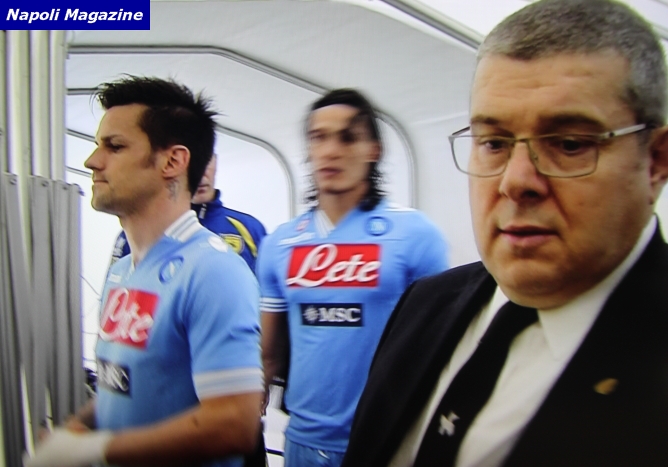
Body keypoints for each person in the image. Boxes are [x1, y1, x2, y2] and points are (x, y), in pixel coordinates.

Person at [342, 1, 668, 466]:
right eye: (494, 143)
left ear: (657, 161)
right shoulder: (426, 303)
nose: (515, 181)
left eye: (569, 144)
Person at [26, 77, 263, 467]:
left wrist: (95, 450)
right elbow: (121, 382)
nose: (92, 161)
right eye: (98, 145)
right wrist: (77, 428)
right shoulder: (122, 270)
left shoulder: (214, 271)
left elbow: (234, 424)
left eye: (115, 146)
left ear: (173, 162)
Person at [258, 89, 449, 466]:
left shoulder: (415, 235)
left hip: (386, 441)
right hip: (302, 443)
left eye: (348, 137)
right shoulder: (280, 243)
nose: (331, 150)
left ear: (373, 150)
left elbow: (440, 350)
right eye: (319, 137)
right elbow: (268, 354)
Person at [110, 153, 267, 273]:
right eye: (192, 163)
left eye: (206, 161)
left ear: (215, 162)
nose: (201, 174)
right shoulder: (141, 232)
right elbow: (114, 294)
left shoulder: (249, 228)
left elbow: (267, 294)